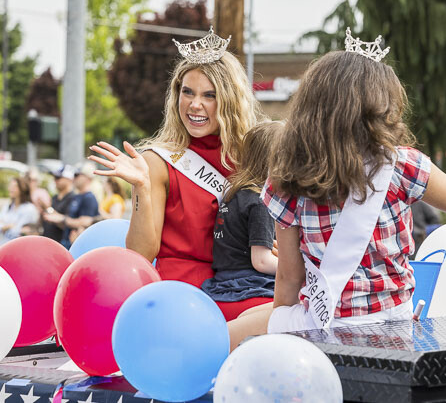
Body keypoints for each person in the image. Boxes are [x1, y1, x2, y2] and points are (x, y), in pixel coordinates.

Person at [228, 29, 446, 348]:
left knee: (233, 332)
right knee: (249, 319)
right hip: (393, 332)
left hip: (321, 327)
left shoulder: (287, 176)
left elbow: (288, 281)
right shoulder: (402, 166)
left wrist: (285, 345)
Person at [88, 28, 261, 300]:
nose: (194, 104)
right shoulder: (158, 162)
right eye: (187, 92)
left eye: (209, 95)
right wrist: (142, 188)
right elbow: (141, 255)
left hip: (243, 284)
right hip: (182, 295)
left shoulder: (251, 158)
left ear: (229, 101)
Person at [201, 121, 283, 320]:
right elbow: (261, 261)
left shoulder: (234, 195)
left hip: (222, 285)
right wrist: (297, 269)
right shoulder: (261, 201)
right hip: (249, 287)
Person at [46, 165, 99, 247]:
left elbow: (85, 222)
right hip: (66, 241)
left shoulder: (89, 198)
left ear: (88, 178)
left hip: (75, 244)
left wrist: (62, 219)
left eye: (77, 175)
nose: (74, 178)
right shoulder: (77, 196)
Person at [0, 177, 39, 243]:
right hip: (4, 246)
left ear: (22, 189)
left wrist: (4, 226)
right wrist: (9, 226)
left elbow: (17, 232)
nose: (11, 189)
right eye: (10, 186)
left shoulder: (29, 209)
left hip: (20, 247)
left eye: (15, 186)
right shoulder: (7, 207)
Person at [41, 165, 76, 244]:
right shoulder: (55, 197)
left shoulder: (73, 199)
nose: (55, 181)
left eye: (58, 178)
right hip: (48, 241)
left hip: (61, 244)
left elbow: (69, 224)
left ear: (69, 179)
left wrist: (48, 209)